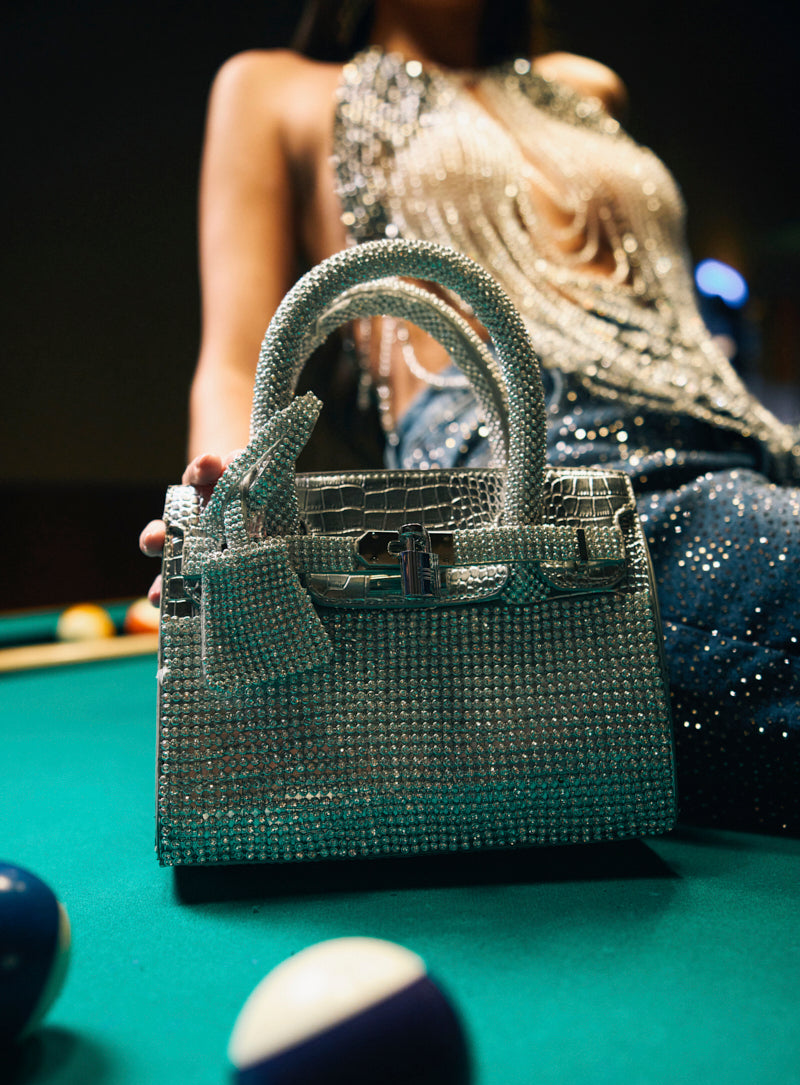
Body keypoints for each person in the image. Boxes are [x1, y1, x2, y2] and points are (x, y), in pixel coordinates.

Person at [140, 0, 799, 834]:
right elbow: (239, 361)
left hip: (736, 445)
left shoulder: (586, 87)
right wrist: (222, 525)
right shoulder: (273, 88)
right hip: (522, 468)